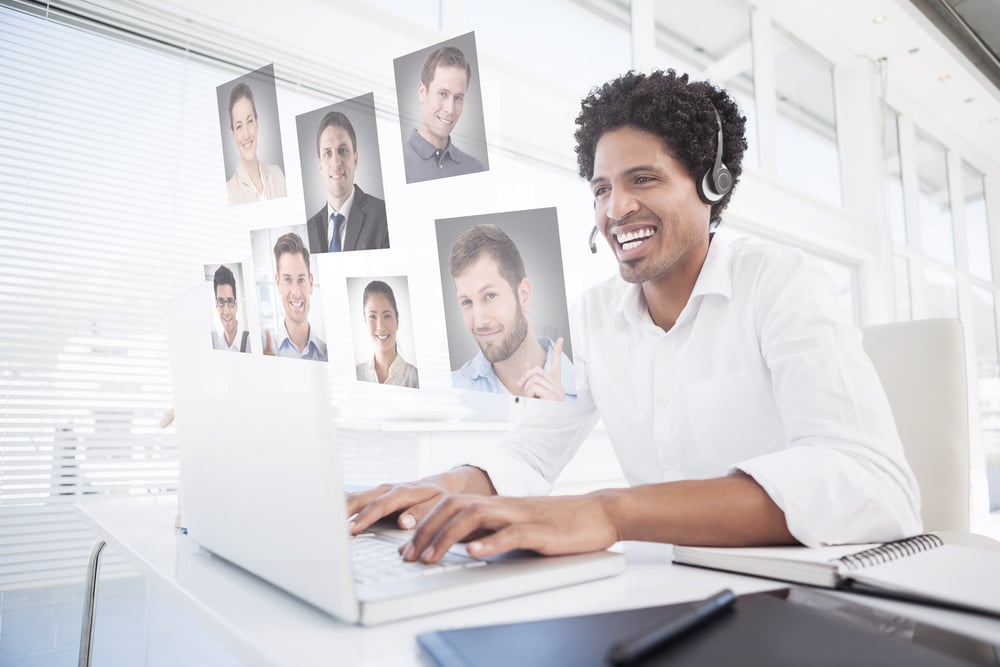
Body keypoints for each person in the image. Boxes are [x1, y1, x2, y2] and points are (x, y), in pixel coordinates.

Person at [347, 69, 922, 565]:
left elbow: (874, 485)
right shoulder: (594, 316)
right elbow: (531, 451)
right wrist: (442, 488)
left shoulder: (779, 284)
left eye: (643, 179)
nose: (616, 209)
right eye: (601, 189)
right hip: (658, 585)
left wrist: (608, 512)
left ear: (711, 184)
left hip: (790, 593)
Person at [449, 224, 574, 401]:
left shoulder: (585, 387)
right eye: (467, 302)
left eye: (490, 296)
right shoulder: (451, 390)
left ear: (524, 296)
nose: (479, 321)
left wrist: (557, 419)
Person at [306, 111, 390, 253]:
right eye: (328, 153)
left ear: (355, 159)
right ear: (320, 165)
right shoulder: (308, 230)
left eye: (342, 150)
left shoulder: (384, 217)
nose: (336, 161)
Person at [402, 46, 486, 183]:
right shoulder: (396, 167)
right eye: (443, 94)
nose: (451, 109)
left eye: (458, 98)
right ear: (422, 92)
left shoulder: (476, 169)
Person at [263, 232, 327, 361]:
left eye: (301, 280)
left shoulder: (327, 353)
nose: (296, 292)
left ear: (310, 282)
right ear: (278, 282)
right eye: (287, 279)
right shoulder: (265, 352)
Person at [225, 82, 287, 206]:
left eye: (249, 121)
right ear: (233, 134)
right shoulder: (229, 194)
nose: (246, 134)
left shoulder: (278, 175)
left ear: (257, 123)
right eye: (239, 126)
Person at [355, 280, 419, 388]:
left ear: (397, 320)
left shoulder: (414, 378)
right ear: (365, 321)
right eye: (372, 316)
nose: (380, 326)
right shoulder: (357, 373)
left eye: (387, 316)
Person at [210, 265, 250, 353]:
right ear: (216, 305)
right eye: (221, 302)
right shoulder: (216, 347)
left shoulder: (249, 343)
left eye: (230, 301)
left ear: (236, 305)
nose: (226, 311)